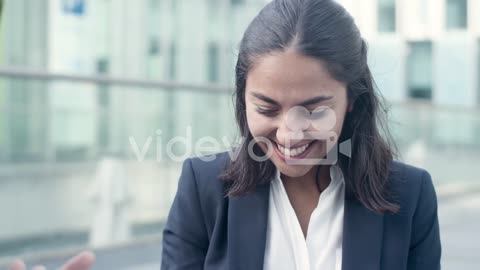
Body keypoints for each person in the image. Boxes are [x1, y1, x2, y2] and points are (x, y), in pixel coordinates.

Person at [9, 0, 441, 269]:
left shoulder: (410, 194)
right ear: (242, 100)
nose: (290, 133)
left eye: (314, 109)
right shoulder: (203, 189)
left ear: (354, 101)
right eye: (267, 108)